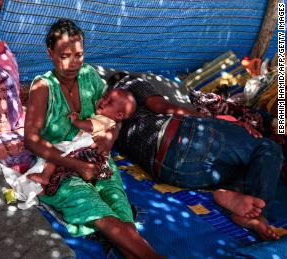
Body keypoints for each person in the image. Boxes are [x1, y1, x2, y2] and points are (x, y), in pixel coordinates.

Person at [24, 18, 163, 258]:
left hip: (97, 159)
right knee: (92, 206)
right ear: (50, 54)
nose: (73, 63)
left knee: (118, 203)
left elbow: (113, 117)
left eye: (78, 55)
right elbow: (31, 140)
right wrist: (76, 165)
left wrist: (110, 137)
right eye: (65, 55)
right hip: (61, 164)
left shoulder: (89, 76)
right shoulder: (43, 87)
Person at [109, 72, 283, 241]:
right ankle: (259, 212)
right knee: (267, 147)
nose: (103, 102)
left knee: (247, 165)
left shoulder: (105, 124)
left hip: (171, 172)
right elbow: (160, 106)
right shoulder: (129, 82)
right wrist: (219, 122)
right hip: (181, 137)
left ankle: (233, 194)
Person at [27, 88, 136, 193]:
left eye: (110, 102)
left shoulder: (105, 121)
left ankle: (45, 176)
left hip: (88, 150)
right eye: (104, 97)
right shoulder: (110, 123)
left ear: (119, 115)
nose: (103, 101)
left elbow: (89, 126)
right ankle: (49, 179)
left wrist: (76, 121)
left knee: (56, 153)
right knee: (61, 159)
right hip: (91, 153)